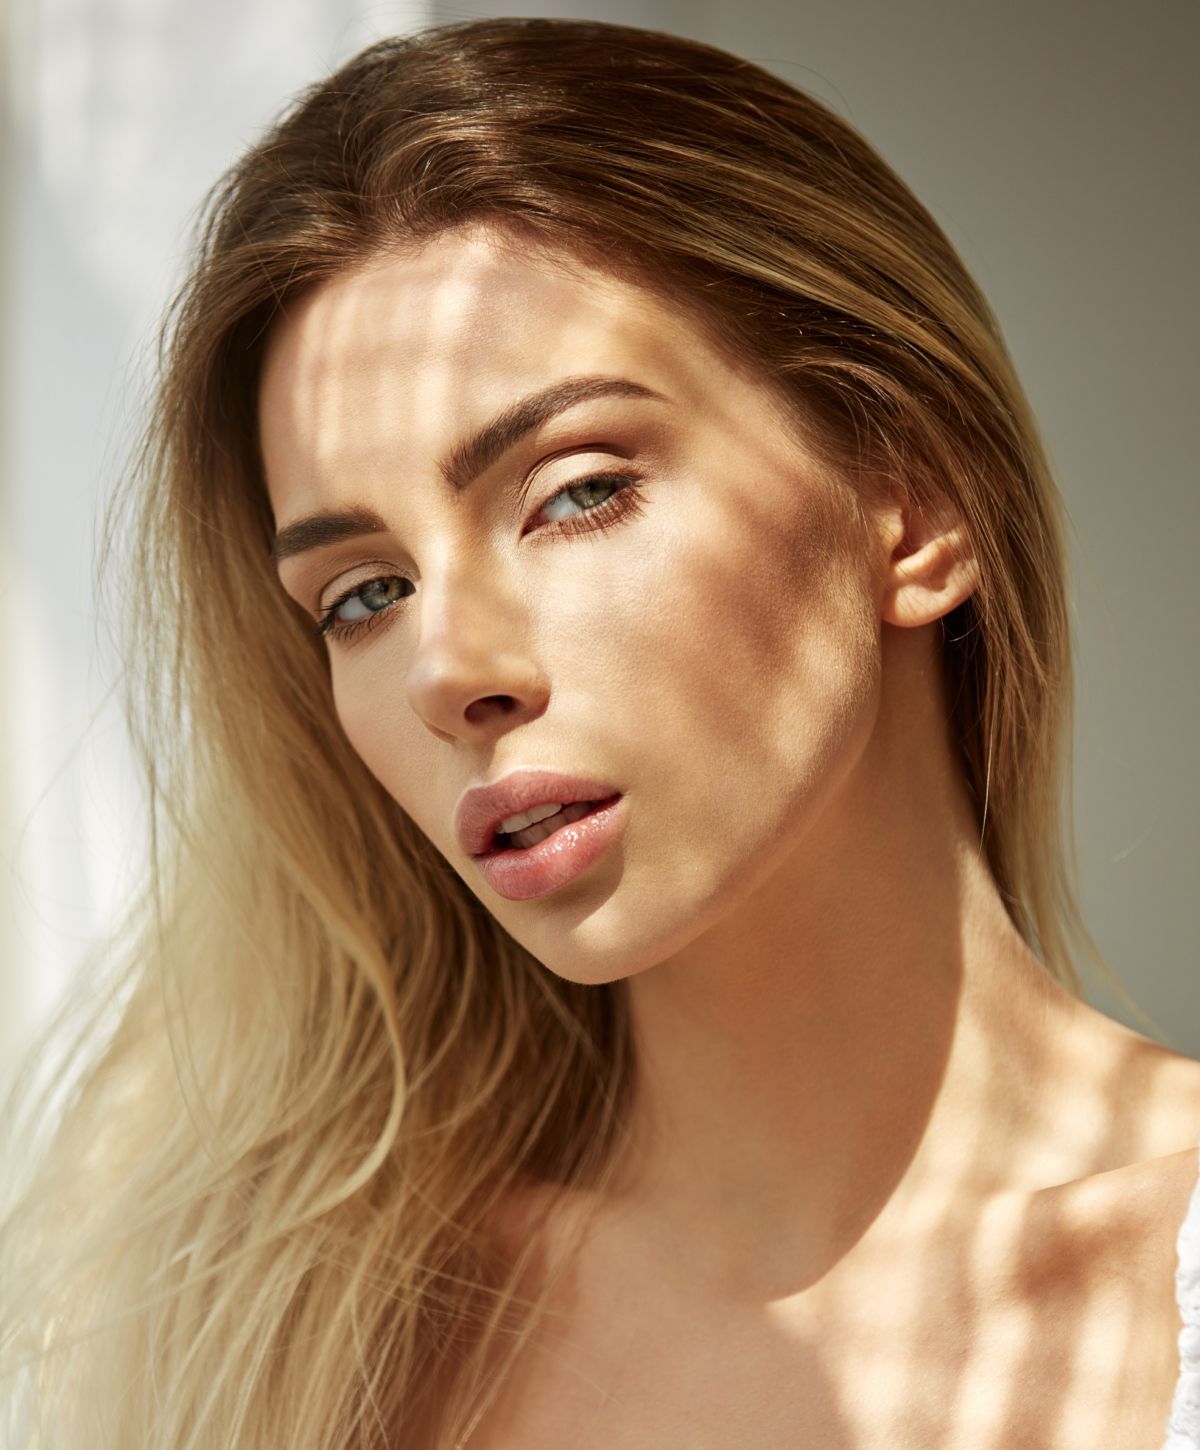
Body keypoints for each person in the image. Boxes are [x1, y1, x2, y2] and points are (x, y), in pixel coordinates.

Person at [1, 15, 1198, 1449]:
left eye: (573, 492)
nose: (449, 667)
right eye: (366, 592)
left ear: (913, 500)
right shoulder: (305, 1352)